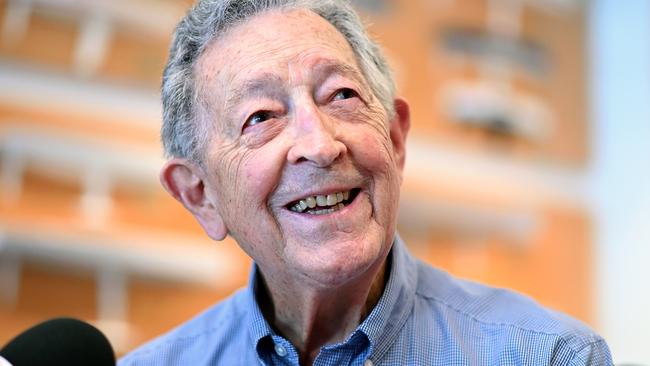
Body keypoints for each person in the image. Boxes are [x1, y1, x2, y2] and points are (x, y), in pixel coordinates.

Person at [119, 0, 613, 365]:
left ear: (396, 139)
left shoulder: (548, 356)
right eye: (261, 116)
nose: (320, 143)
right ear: (199, 194)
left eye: (341, 95)